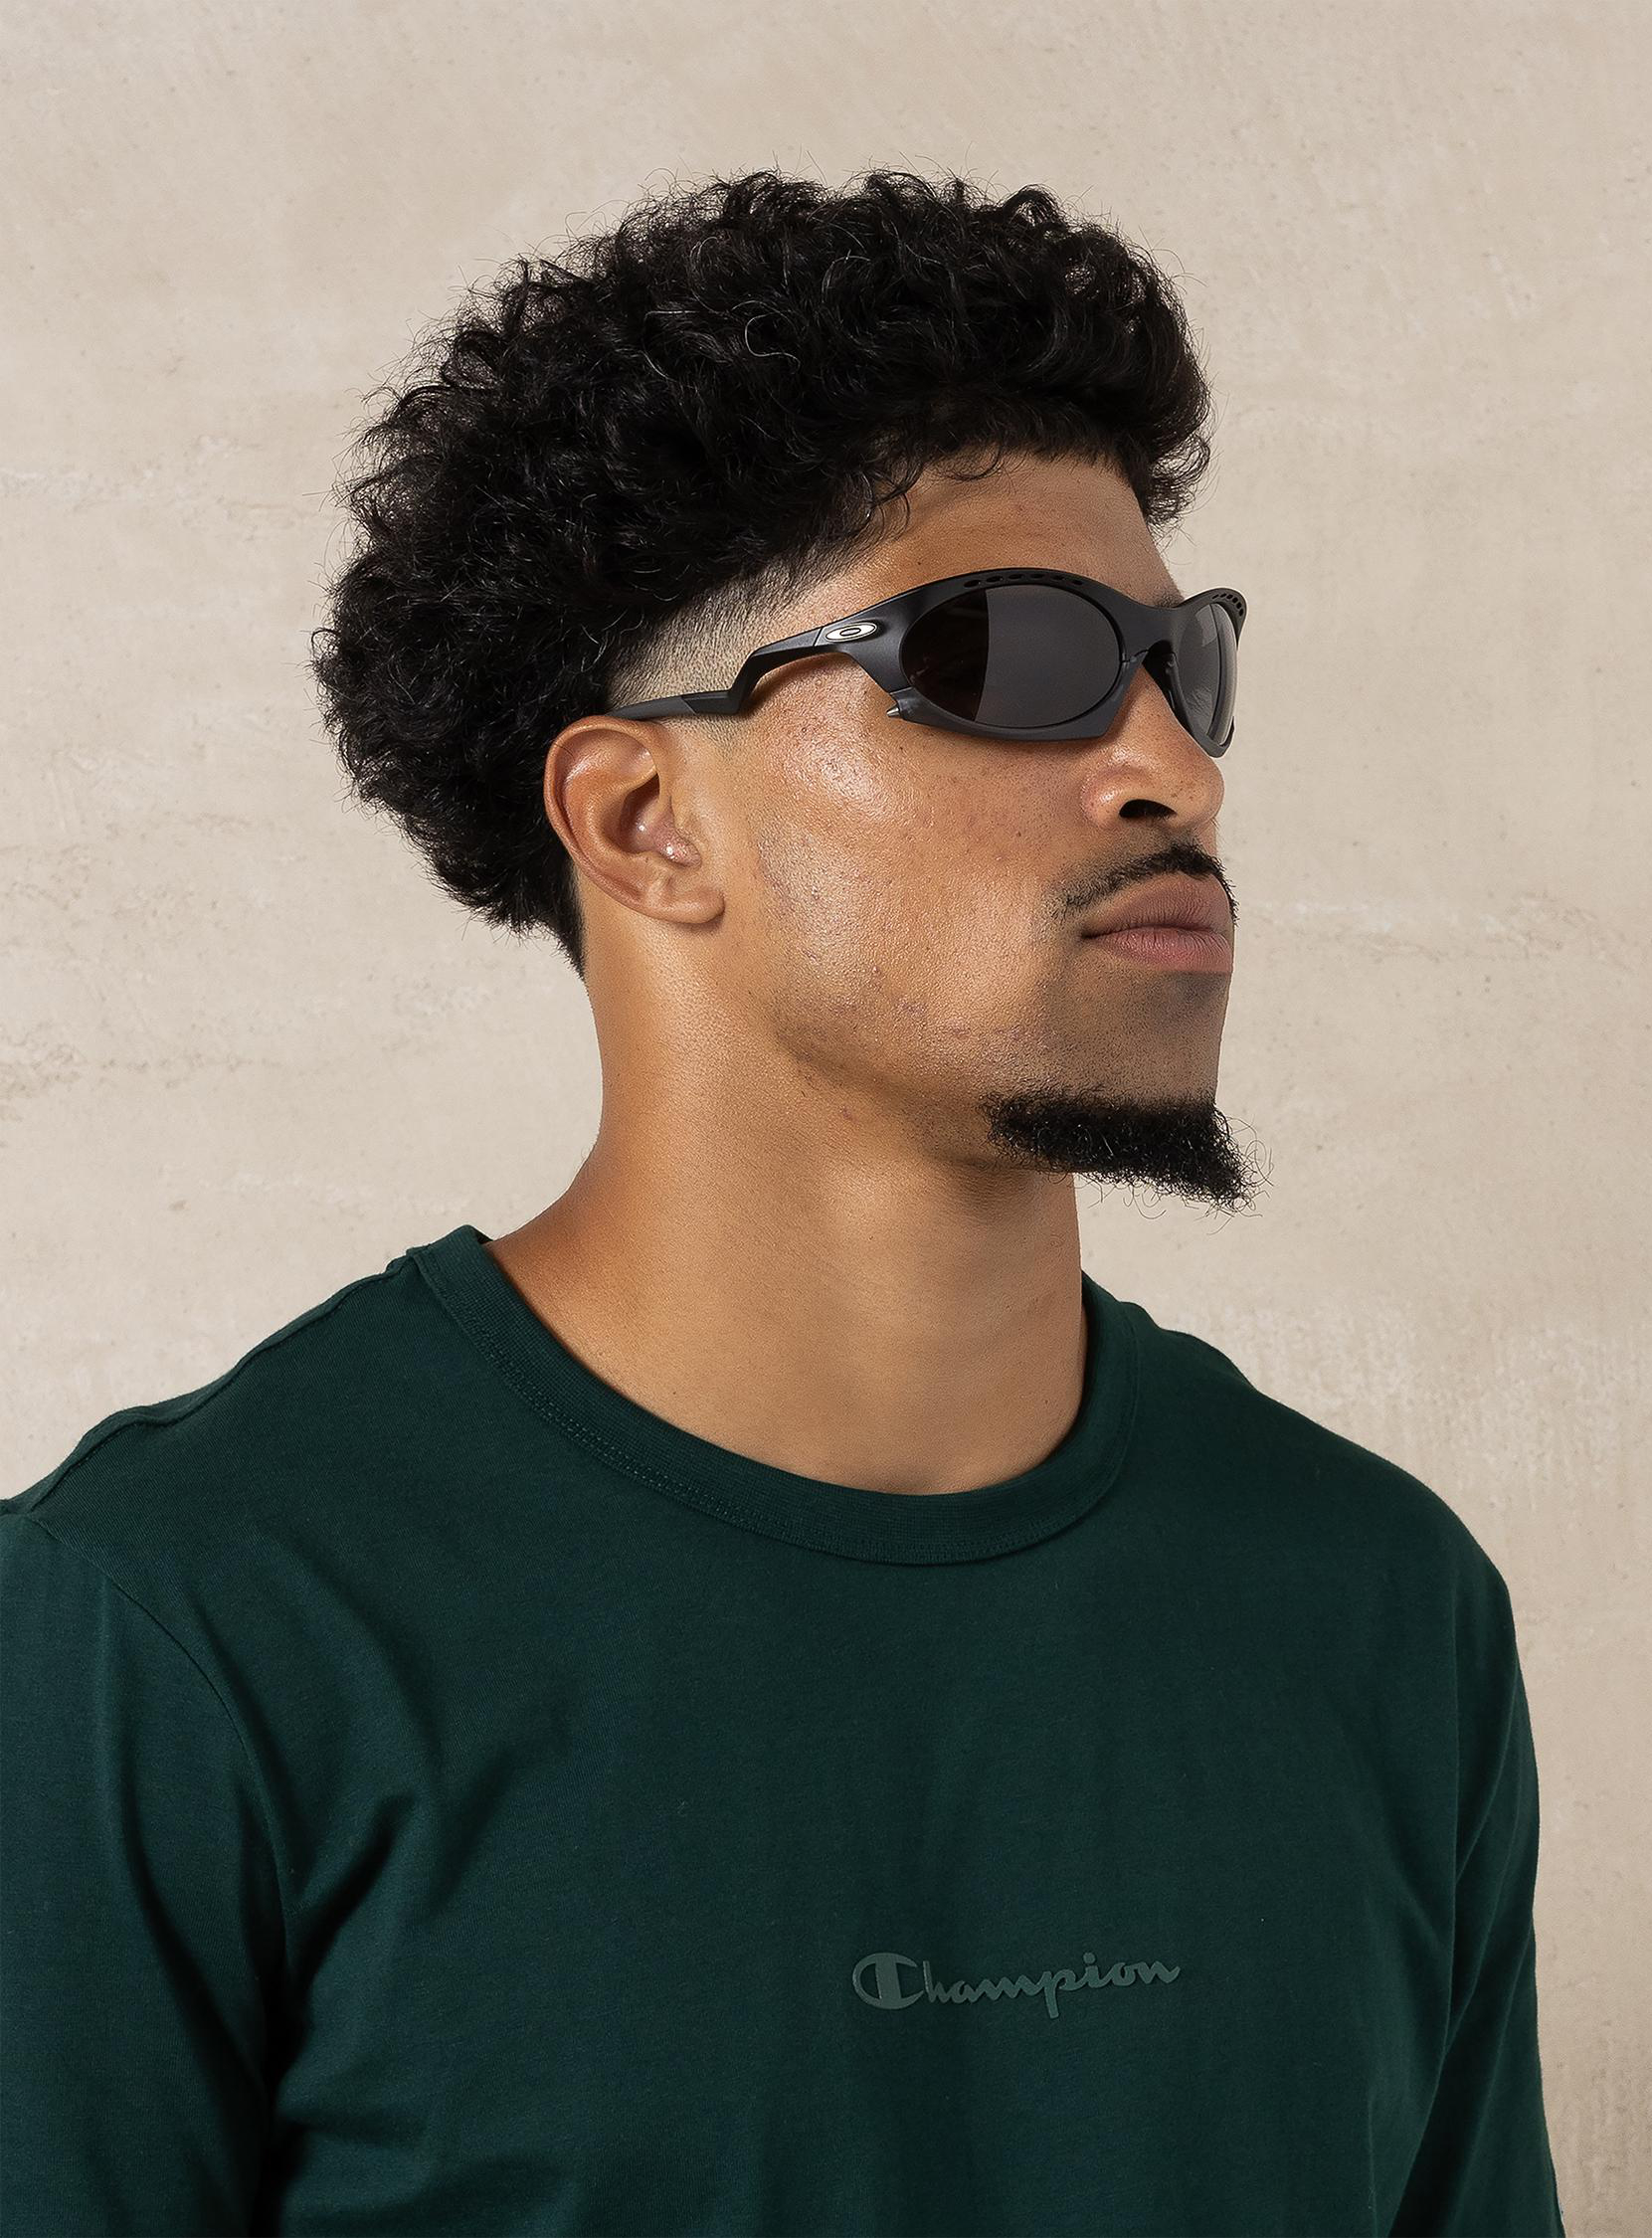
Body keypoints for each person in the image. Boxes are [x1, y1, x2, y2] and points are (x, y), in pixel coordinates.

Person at [1, 167, 1566, 2235]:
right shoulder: (170, 1635)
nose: (1171, 767)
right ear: (646, 818)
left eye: (1185, 665)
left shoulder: (1380, 1609)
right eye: (1003, 654)